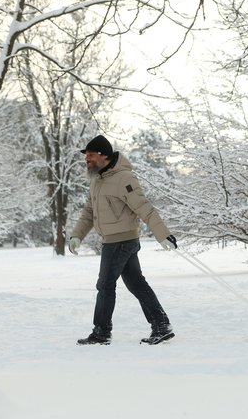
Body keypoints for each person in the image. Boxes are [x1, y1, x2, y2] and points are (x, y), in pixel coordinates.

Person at [69, 135, 178, 345]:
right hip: (112, 240)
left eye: (90, 155)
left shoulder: (124, 178)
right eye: (86, 156)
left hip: (120, 242)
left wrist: (162, 234)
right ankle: (161, 325)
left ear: (104, 156)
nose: (87, 159)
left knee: (105, 285)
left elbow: (144, 207)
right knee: (136, 283)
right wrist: (76, 235)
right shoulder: (97, 181)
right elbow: (88, 212)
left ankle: (101, 332)